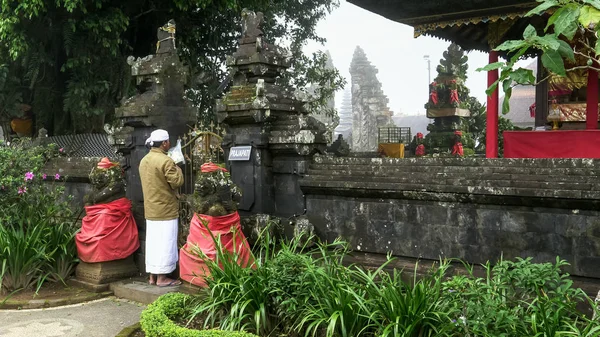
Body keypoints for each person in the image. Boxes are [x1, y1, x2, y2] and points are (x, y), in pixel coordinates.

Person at [139, 129, 184, 287]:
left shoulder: (144, 160)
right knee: (166, 243)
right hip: (166, 209)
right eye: (168, 141)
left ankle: (152, 276)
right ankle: (162, 278)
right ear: (164, 143)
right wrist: (177, 166)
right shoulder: (166, 161)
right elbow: (176, 182)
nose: (169, 144)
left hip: (151, 209)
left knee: (153, 243)